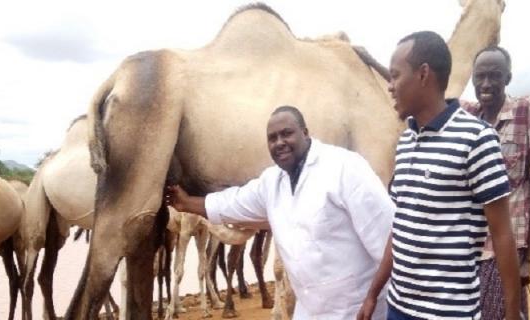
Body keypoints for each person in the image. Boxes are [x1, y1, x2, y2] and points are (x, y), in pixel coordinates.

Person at [165, 105, 396, 320]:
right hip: (309, 311)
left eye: (287, 134)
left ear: (305, 133)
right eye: (272, 138)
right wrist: (185, 204)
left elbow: (390, 239)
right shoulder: (272, 182)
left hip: (359, 310)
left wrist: (374, 296)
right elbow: (230, 203)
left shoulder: (345, 168)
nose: (279, 142)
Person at [357, 31, 522, 320]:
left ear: (423, 75)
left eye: (395, 76)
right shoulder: (407, 141)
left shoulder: (477, 138)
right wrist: (373, 294)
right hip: (398, 307)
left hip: (448, 313)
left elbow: (502, 234)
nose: (390, 86)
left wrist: (511, 314)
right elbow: (401, 227)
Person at [462, 46, 530, 319]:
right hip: (470, 245)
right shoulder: (467, 115)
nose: (486, 84)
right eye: (480, 77)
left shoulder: (527, 109)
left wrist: (528, 259)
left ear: (508, 78)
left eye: (494, 76)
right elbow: (427, 97)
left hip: (507, 246)